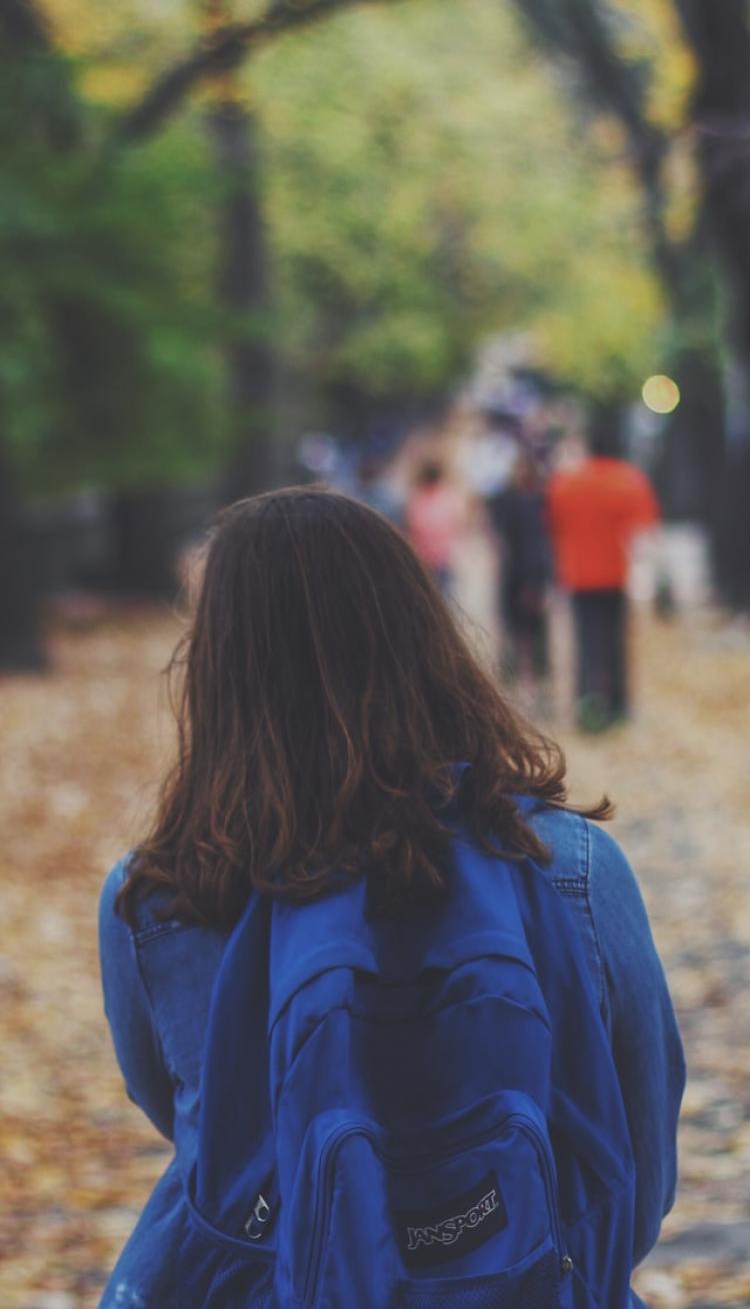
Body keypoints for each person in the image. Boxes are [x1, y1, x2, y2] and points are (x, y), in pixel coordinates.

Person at [98, 488, 683, 1309]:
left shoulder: (158, 896)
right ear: (425, 636)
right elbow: (638, 1165)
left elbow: (198, 1131)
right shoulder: (570, 866)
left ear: (218, 667)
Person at [547, 414, 660, 731]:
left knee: (585, 641)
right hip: (615, 574)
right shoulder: (629, 480)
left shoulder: (567, 482)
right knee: (615, 642)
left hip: (578, 574)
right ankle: (619, 706)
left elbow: (554, 525)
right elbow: (643, 533)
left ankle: (586, 703)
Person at [487, 449, 553, 708]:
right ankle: (520, 686)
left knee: (533, 633)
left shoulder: (536, 501)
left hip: (530, 574)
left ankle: (536, 687)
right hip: (514, 574)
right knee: (516, 631)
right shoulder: (517, 501)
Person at [404, 458, 466, 593]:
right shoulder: (449, 499)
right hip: (440, 558)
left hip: (426, 558)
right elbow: (458, 525)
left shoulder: (416, 500)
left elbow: (411, 528)